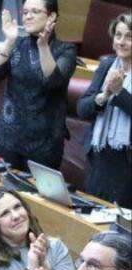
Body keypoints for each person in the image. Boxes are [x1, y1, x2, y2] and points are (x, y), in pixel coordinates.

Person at [0, 0, 77, 171]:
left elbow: (52, 81)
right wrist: (9, 41)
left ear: (52, 16)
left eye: (34, 11)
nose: (28, 16)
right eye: (25, 12)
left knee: (35, 196)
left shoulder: (65, 50)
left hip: (43, 145)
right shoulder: (17, 44)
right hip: (7, 137)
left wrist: (43, 46)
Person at [77, 13, 131, 208]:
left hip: (127, 164)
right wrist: (103, 96)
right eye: (118, 35)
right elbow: (83, 109)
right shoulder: (107, 64)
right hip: (99, 157)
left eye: (129, 37)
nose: (122, 42)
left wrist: (120, 92)